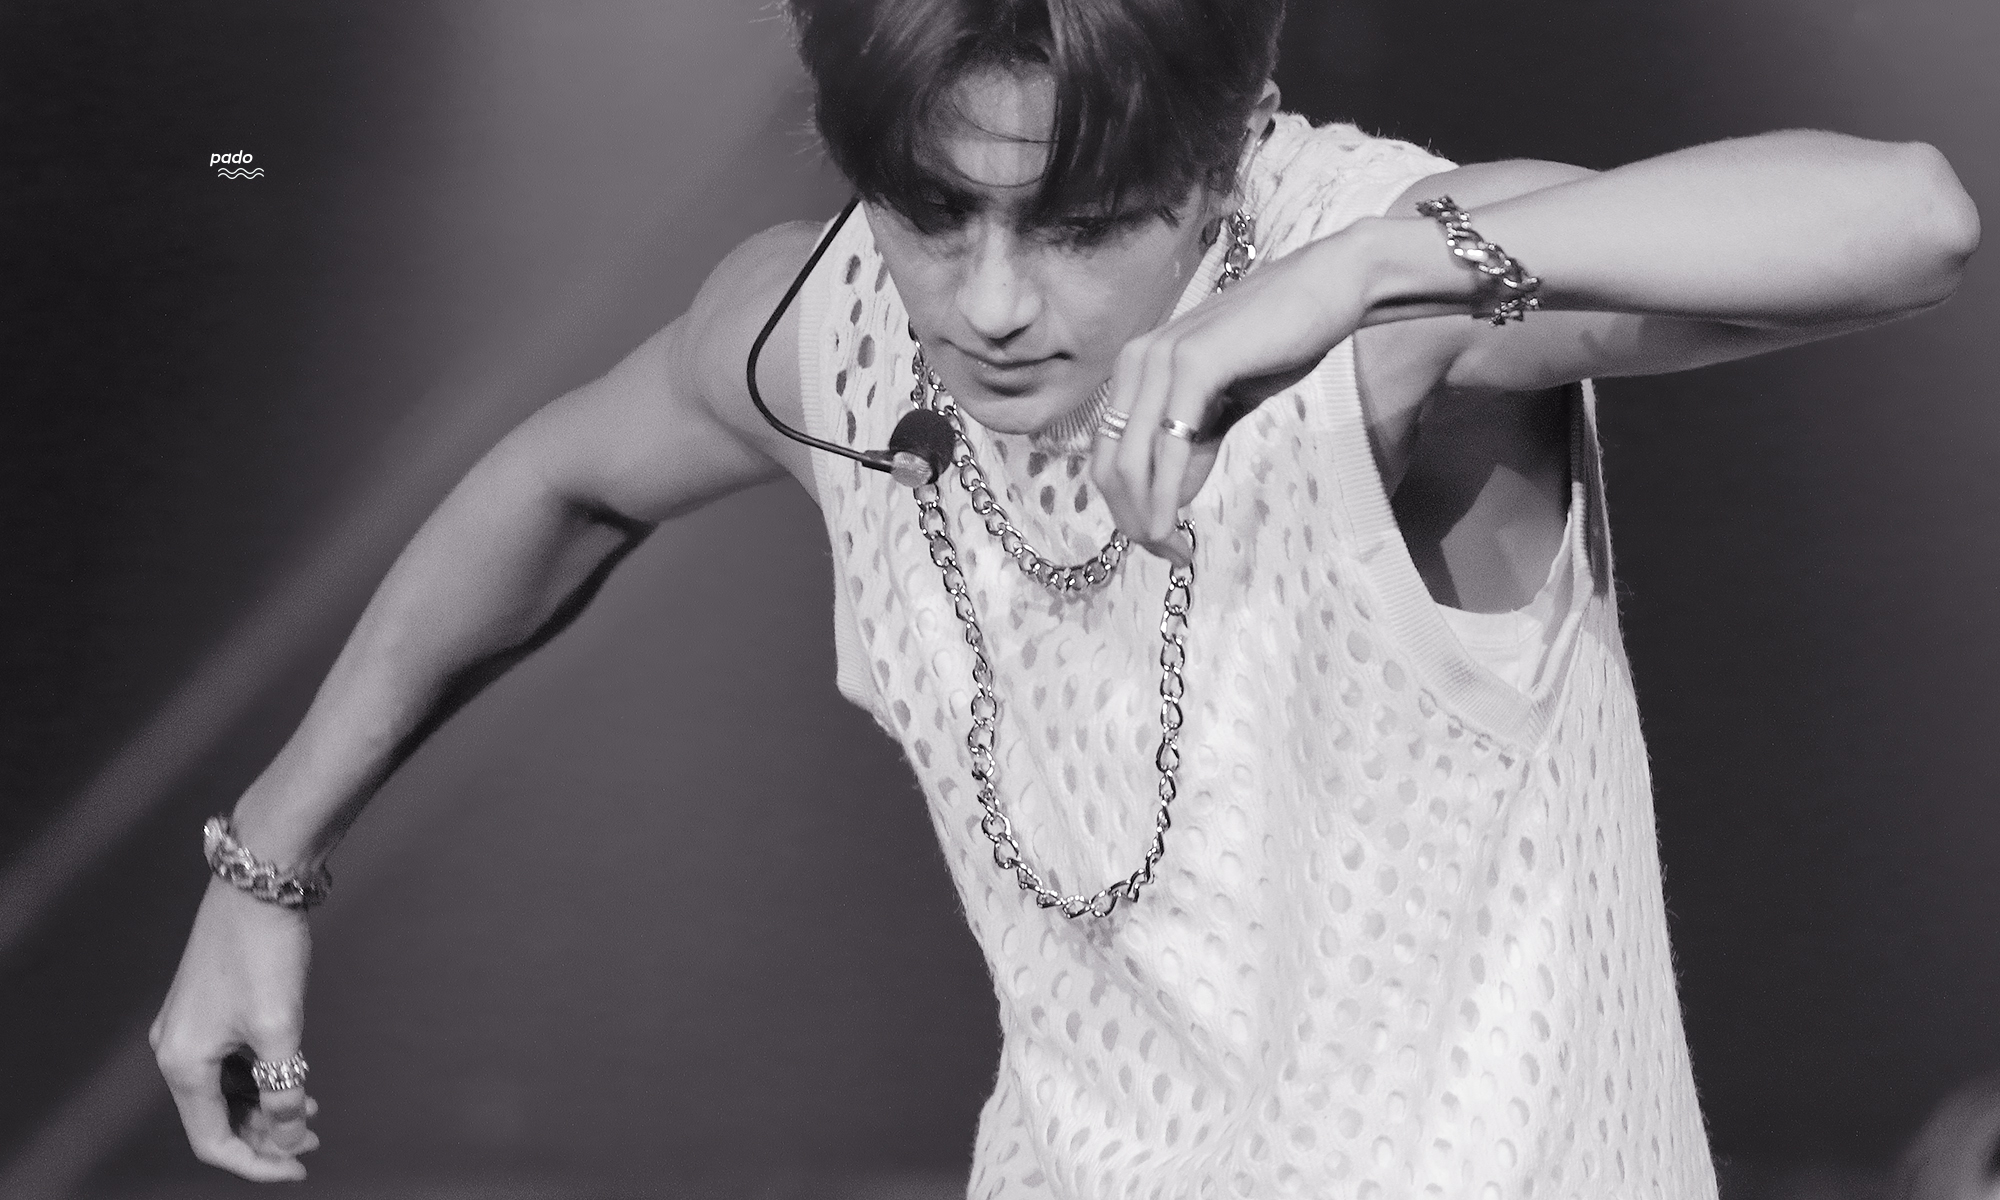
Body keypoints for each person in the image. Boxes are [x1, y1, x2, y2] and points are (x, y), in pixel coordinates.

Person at [149, 0, 1981, 1194]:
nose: (993, 301)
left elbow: (1909, 217)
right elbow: (557, 486)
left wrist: (1364, 277)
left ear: (1224, 144)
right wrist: (264, 867)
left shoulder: (1390, 293)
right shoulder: (826, 332)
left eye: (1084, 223)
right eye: (932, 213)